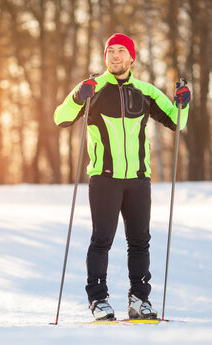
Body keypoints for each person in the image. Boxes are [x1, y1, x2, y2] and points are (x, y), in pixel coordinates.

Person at [53, 33, 191, 321]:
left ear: (131, 58)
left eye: (121, 51)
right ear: (105, 57)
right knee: (102, 239)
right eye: (111, 51)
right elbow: (61, 117)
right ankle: (98, 300)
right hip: (105, 178)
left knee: (140, 241)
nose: (115, 56)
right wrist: (79, 96)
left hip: (138, 179)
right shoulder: (93, 87)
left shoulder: (146, 91)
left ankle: (139, 300)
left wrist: (183, 101)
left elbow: (177, 121)